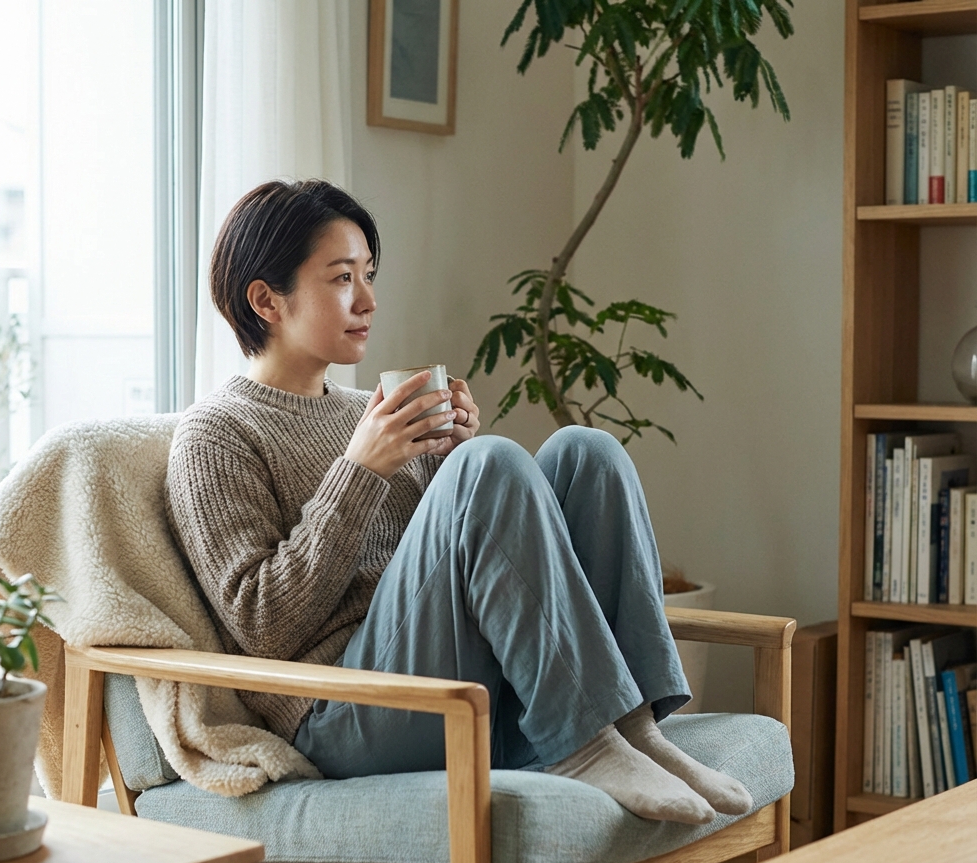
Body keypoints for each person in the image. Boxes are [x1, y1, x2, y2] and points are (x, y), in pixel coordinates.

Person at [166, 179, 752, 825]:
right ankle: (585, 745)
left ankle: (634, 729)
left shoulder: (372, 412)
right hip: (345, 712)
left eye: (368, 273)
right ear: (265, 300)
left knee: (586, 452)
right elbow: (263, 626)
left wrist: (446, 461)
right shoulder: (216, 433)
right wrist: (364, 470)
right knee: (491, 463)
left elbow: (435, 565)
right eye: (341, 279)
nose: (367, 299)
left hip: (455, 679)